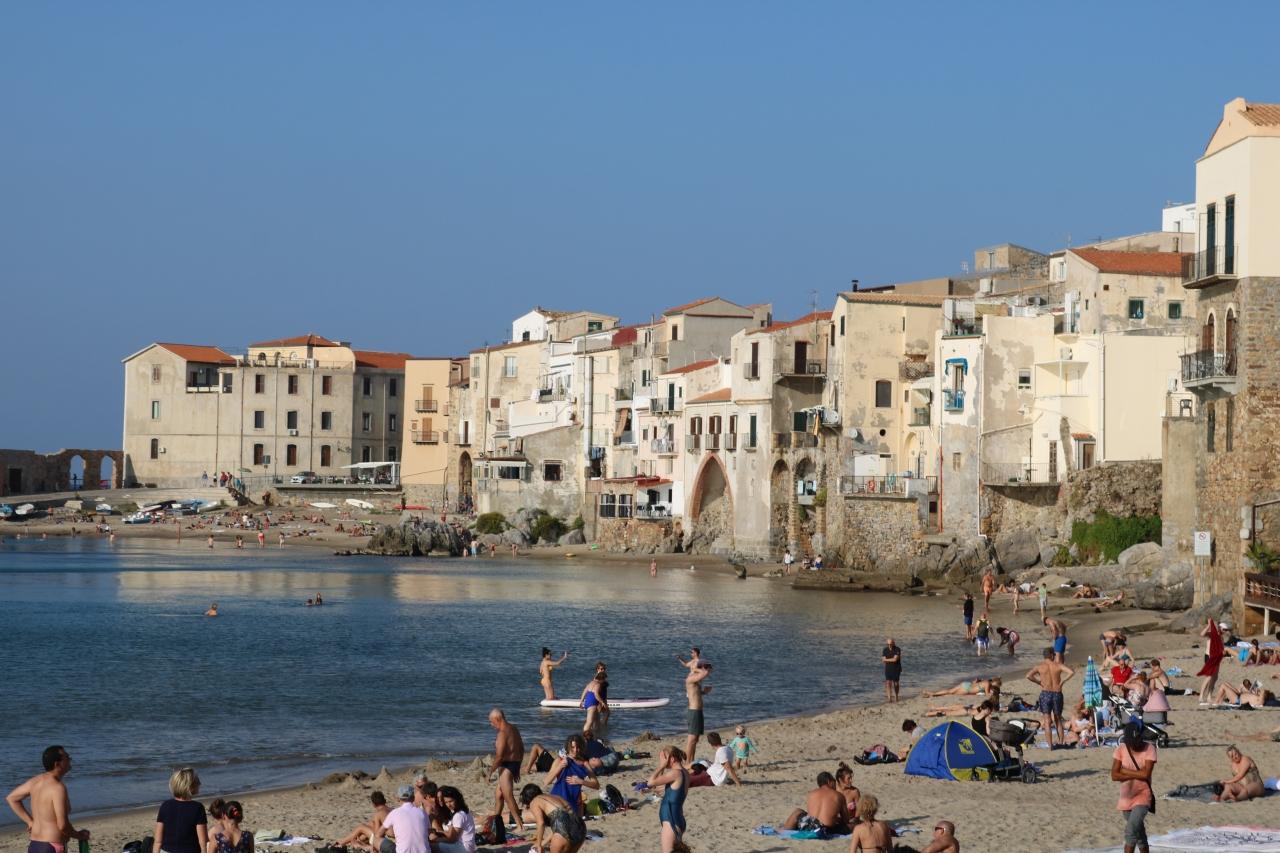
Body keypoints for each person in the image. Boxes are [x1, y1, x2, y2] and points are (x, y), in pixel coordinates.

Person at [5, 745, 91, 853]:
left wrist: (30, 821)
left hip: (35, 845)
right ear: (57, 764)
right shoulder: (57, 788)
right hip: (52, 847)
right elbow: (62, 826)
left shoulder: (35, 781)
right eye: (67, 757)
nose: (70, 759)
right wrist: (79, 836)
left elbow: (12, 798)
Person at [1111, 721, 1156, 853]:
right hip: (1126, 797)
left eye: (1137, 741)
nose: (1135, 745)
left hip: (1143, 795)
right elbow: (1114, 775)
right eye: (1132, 743)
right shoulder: (1121, 749)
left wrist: (1124, 771)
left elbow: (1146, 774)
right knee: (1139, 834)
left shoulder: (1149, 748)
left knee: (1130, 832)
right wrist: (1137, 773)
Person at [1027, 648, 1075, 747]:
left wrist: (1039, 682)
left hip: (1045, 693)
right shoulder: (1057, 665)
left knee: (1047, 721)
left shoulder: (1039, 666)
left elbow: (1028, 676)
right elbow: (1071, 672)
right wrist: (1062, 681)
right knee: (1058, 719)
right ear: (1052, 655)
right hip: (1057, 693)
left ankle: (1050, 746)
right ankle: (1061, 743)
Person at [153, 768, 208, 853]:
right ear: (190, 786)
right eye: (197, 782)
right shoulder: (197, 808)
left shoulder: (165, 805)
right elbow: (203, 842)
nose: (200, 784)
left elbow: (158, 841)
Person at [518, 784, 585, 853]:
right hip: (580, 826)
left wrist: (538, 844)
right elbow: (559, 825)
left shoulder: (534, 801)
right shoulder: (555, 797)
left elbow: (541, 823)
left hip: (563, 828)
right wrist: (542, 843)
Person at [486, 709, 524, 829]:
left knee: (508, 796)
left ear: (497, 719)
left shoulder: (502, 733)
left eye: (491, 722)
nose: (491, 725)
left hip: (506, 766)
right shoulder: (514, 729)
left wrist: (490, 772)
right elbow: (521, 748)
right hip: (514, 763)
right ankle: (496, 821)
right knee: (499, 794)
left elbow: (499, 757)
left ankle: (519, 824)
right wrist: (518, 768)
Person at [782, 772, 851, 836]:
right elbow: (846, 820)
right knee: (853, 825)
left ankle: (784, 831)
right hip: (826, 830)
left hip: (808, 826)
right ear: (829, 781)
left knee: (798, 811)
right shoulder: (838, 795)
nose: (835, 785)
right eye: (834, 781)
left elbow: (813, 814)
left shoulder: (811, 794)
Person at [647, 747, 687, 853]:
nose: (662, 761)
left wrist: (661, 766)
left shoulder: (676, 773)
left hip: (671, 821)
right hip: (676, 818)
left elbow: (650, 782)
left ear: (672, 759)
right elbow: (658, 786)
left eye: (664, 758)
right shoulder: (684, 772)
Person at [546, 735, 598, 816]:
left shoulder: (584, 763)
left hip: (574, 803)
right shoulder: (559, 760)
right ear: (568, 747)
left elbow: (596, 785)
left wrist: (581, 781)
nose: (575, 750)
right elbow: (546, 781)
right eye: (572, 747)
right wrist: (560, 766)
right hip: (557, 800)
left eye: (578, 747)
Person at [373, 785, 429, 853]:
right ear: (413, 798)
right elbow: (428, 832)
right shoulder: (422, 812)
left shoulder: (394, 813)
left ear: (398, 798)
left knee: (375, 839)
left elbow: (378, 834)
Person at [433, 787, 476, 853]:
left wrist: (437, 839)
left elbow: (452, 839)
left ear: (457, 799)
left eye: (451, 801)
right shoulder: (465, 811)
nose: (448, 805)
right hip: (470, 846)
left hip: (463, 848)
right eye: (446, 802)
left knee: (432, 846)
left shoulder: (458, 815)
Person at [685, 662, 712, 761]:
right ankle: (687, 762)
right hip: (694, 712)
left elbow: (695, 693)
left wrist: (704, 692)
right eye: (708, 670)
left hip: (698, 711)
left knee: (695, 739)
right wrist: (696, 669)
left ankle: (691, 760)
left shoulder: (696, 680)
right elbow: (704, 673)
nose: (708, 674)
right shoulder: (691, 678)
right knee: (691, 739)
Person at [1197, 617, 1225, 703]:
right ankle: (1201, 696)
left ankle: (1209, 696)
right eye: (1224, 629)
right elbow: (1202, 634)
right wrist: (1209, 625)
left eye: (1226, 630)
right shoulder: (1212, 634)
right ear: (1220, 628)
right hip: (1209, 657)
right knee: (1209, 677)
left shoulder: (1221, 637)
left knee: (1215, 678)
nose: (1225, 631)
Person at [578, 669, 605, 738]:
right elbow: (596, 694)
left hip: (588, 702)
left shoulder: (591, 682)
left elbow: (584, 691)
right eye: (604, 679)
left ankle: (597, 735)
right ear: (601, 679)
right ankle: (584, 737)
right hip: (592, 703)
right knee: (589, 722)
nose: (604, 681)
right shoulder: (598, 684)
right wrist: (602, 702)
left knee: (597, 721)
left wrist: (581, 701)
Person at [882, 638, 902, 702]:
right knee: (888, 683)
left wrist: (886, 660)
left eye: (890, 644)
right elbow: (883, 660)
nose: (889, 645)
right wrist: (890, 659)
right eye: (888, 644)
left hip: (896, 668)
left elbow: (895, 660)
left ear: (893, 643)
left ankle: (896, 696)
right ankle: (889, 698)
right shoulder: (885, 650)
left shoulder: (897, 649)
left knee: (896, 683)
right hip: (888, 668)